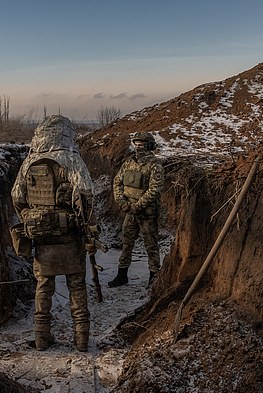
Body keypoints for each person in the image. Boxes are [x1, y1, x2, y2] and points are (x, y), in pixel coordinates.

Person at [11, 115, 97, 352]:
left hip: (42, 238)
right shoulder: (73, 160)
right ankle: (81, 341)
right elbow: (87, 197)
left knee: (43, 287)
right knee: (77, 286)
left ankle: (41, 338)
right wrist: (90, 232)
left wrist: (32, 221)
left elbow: (17, 198)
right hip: (70, 236)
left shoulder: (29, 162)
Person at [108, 132, 164, 287]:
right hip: (130, 211)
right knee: (126, 243)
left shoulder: (155, 165)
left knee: (151, 245)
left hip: (147, 213)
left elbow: (154, 189)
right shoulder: (128, 163)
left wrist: (137, 206)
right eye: (136, 144)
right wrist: (122, 202)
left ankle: (154, 278)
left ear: (150, 146)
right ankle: (122, 275)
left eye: (142, 144)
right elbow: (117, 183)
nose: (139, 147)